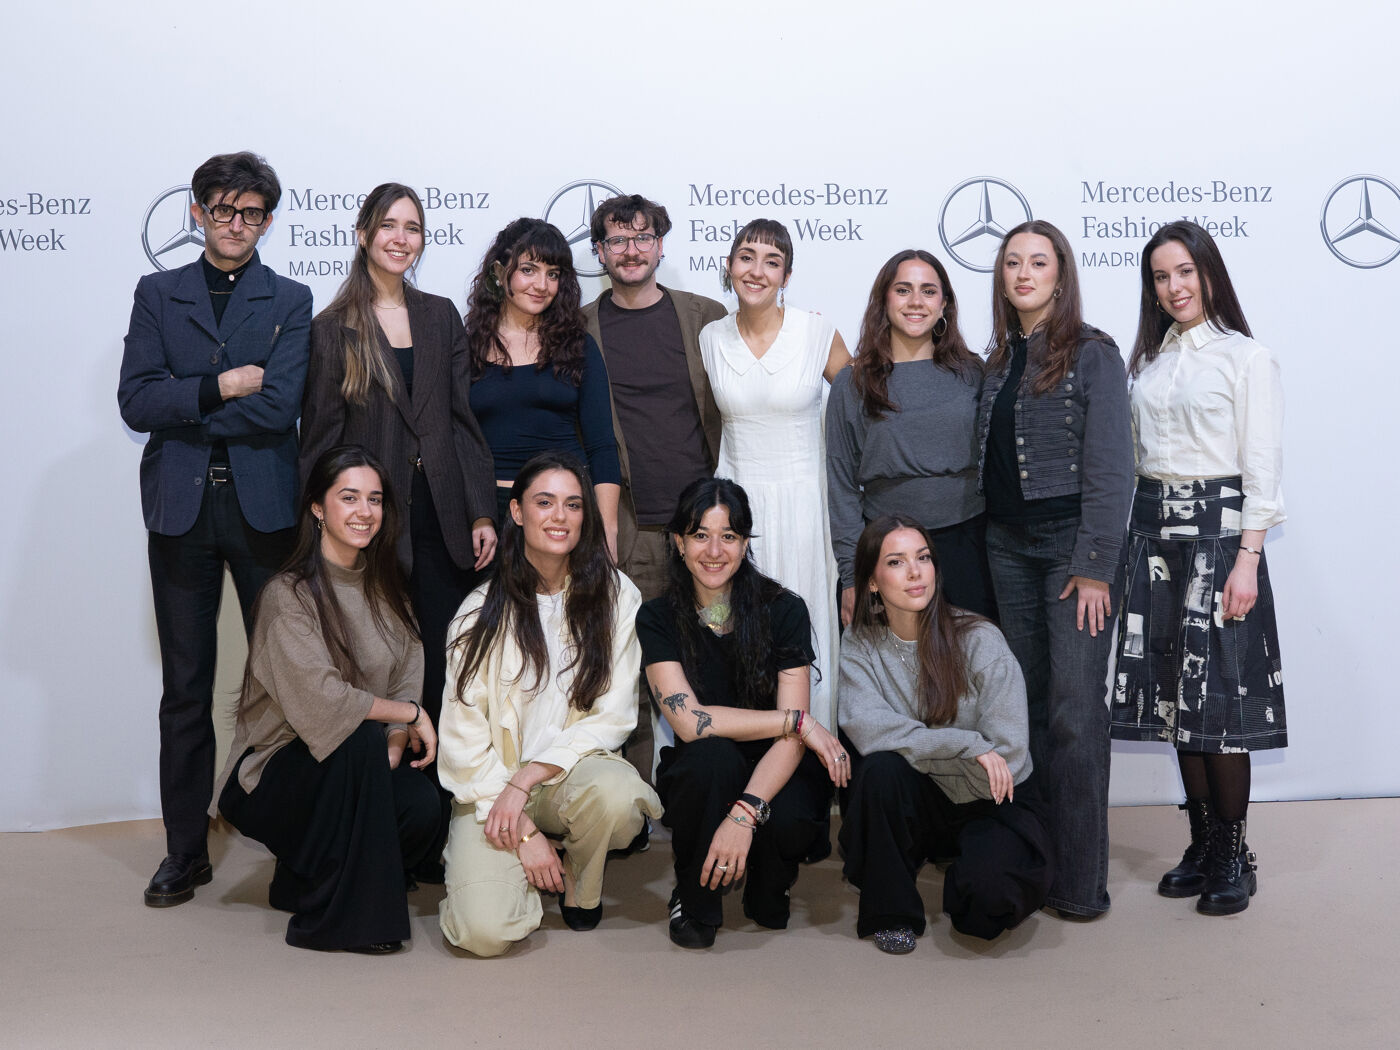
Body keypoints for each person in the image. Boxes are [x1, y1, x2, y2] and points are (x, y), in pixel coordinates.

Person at [118, 151, 312, 907]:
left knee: (287, 681)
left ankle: (297, 845)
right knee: (186, 689)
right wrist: (221, 385)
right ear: (197, 212)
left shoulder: (289, 299)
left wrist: (187, 399)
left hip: (266, 510)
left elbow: (282, 406)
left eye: (252, 213)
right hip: (181, 512)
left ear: (268, 220)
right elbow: (137, 401)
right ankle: (182, 852)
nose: (238, 225)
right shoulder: (157, 293)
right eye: (224, 210)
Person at [1110, 220, 1287, 916]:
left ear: (1208, 274)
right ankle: (1204, 842)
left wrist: (1247, 560)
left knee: (1220, 705)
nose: (1174, 287)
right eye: (1161, 276)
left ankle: (1235, 852)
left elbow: (1263, 474)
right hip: (1153, 540)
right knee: (1174, 704)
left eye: (1185, 271)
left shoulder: (1248, 358)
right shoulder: (1148, 364)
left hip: (1219, 542)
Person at [215, 446, 443, 954]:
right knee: (360, 739)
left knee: (422, 806)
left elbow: (408, 676)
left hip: (351, 762)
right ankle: (353, 920)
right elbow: (322, 700)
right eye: (349, 497)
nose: (365, 511)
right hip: (269, 777)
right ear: (318, 507)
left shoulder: (389, 589)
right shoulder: (287, 594)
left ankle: (303, 879)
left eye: (375, 499)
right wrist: (405, 718)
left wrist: (396, 739)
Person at [299, 182, 497, 756]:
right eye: (388, 226)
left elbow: (463, 424)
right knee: (375, 664)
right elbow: (319, 441)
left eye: (412, 228)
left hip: (444, 520)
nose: (400, 238)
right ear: (363, 235)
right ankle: (380, 804)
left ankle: (438, 808)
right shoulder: (333, 327)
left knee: (441, 664)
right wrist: (321, 528)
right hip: (370, 527)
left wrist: (482, 510)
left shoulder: (439, 316)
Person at [437, 453, 661, 957]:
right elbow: (462, 746)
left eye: (573, 504)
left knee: (619, 797)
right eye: (544, 502)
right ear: (516, 512)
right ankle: (518, 867)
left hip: (567, 778)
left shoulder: (616, 596)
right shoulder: (476, 614)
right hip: (490, 794)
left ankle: (581, 881)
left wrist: (528, 780)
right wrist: (524, 830)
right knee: (484, 935)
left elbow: (615, 717)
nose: (559, 516)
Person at [976, 219, 1134, 919]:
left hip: (1072, 555)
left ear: (1061, 276)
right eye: (1013, 263)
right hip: (1006, 547)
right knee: (1027, 708)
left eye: (1038, 263)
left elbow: (1111, 468)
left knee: (1074, 711)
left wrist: (1096, 565)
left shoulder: (1093, 354)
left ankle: (1079, 884)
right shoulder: (996, 359)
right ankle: (1035, 865)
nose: (1024, 274)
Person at [637, 478, 849, 949]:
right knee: (713, 759)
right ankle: (693, 895)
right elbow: (690, 723)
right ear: (678, 541)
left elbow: (790, 743)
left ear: (745, 542)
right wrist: (795, 721)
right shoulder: (656, 617)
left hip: (777, 763)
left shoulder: (785, 609)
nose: (714, 550)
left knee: (773, 897)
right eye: (700, 535)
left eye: (729, 536)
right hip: (704, 763)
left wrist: (743, 815)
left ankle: (763, 871)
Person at [838, 516, 1052, 952]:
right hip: (925, 796)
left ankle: (967, 860)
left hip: (991, 799)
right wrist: (965, 744)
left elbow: (1008, 753)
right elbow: (866, 727)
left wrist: (942, 755)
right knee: (880, 770)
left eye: (923, 558)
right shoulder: (861, 642)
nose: (915, 572)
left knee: (984, 908)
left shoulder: (979, 638)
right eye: (896, 562)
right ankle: (891, 910)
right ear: (873, 582)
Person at [582, 192, 728, 781]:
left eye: (643, 237)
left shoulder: (706, 315)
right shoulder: (582, 326)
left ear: (661, 245)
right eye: (617, 239)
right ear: (600, 252)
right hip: (631, 528)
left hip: (705, 528)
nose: (631, 249)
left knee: (713, 663)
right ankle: (637, 802)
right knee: (632, 669)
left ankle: (712, 788)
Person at [699, 219, 850, 741]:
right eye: (745, 256)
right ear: (729, 264)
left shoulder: (818, 332)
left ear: (787, 274)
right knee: (738, 631)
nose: (756, 270)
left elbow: (859, 415)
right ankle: (746, 757)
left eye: (771, 261)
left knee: (805, 632)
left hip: (807, 508)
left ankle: (811, 763)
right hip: (737, 513)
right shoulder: (710, 338)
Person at [827, 249, 994, 625]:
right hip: (885, 550)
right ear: (884, 300)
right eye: (903, 290)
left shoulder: (975, 373)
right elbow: (840, 484)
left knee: (971, 672)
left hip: (968, 547)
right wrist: (851, 571)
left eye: (928, 291)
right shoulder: (852, 383)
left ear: (944, 304)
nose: (916, 301)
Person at [465, 218, 621, 556]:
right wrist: (478, 515)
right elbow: (456, 443)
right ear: (497, 271)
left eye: (553, 274)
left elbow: (603, 447)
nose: (541, 285)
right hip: (491, 519)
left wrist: (607, 530)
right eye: (528, 270)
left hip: (564, 515)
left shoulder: (579, 345)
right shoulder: (465, 348)